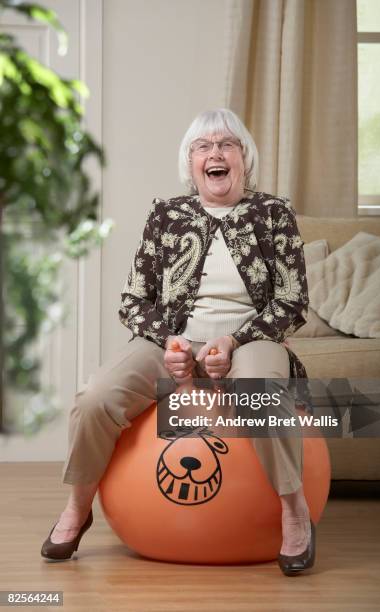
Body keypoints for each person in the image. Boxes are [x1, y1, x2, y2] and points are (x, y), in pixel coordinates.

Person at [41, 108, 314, 576]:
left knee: (261, 394)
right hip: (171, 339)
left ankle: (294, 510)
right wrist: (172, 341)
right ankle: (77, 507)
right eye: (202, 147)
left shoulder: (274, 213)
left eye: (226, 144)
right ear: (190, 164)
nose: (215, 153)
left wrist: (232, 340)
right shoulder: (166, 214)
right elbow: (132, 300)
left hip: (250, 337)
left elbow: (293, 299)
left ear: (244, 157)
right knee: (95, 397)